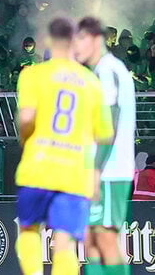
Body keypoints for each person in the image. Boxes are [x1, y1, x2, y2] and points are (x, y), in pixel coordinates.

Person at [15, 18, 113, 275]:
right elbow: (104, 137)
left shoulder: (33, 74)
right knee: (64, 244)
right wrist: (94, 175)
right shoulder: (92, 83)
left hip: (38, 166)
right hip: (74, 172)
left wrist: (27, 142)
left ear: (48, 41)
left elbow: (26, 119)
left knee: (28, 229)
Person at [74, 16, 136, 275]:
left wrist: (96, 170)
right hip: (106, 168)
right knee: (94, 240)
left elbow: (109, 121)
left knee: (106, 238)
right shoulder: (104, 70)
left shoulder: (108, 70)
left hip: (109, 170)